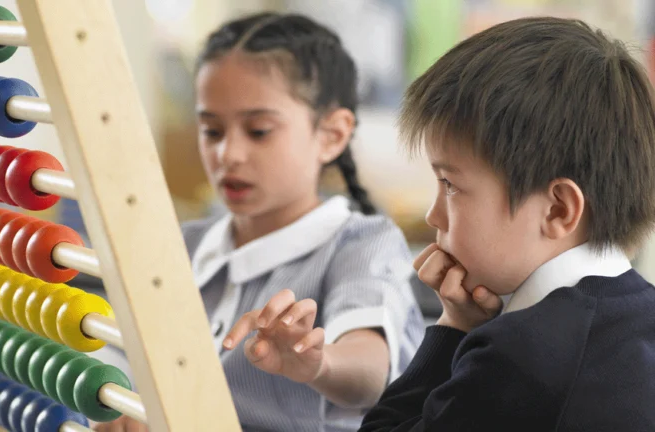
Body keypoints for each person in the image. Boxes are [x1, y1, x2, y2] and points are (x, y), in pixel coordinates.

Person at [95, 12, 424, 432]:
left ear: (332, 135)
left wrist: (318, 363)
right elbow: (122, 354)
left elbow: (369, 374)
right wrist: (121, 404)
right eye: (212, 131)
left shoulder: (362, 244)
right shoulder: (182, 244)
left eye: (259, 131)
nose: (228, 154)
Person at [359, 16, 655, 431]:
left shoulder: (521, 354)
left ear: (557, 210)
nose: (433, 216)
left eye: (450, 185)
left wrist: (453, 328)